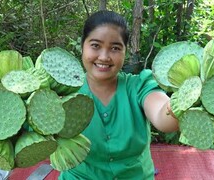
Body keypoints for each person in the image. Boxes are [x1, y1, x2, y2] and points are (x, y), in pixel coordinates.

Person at [59, 10, 179, 180]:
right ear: (82, 46)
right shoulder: (63, 92)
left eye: (115, 48)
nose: (104, 56)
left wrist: (182, 102)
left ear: (125, 52)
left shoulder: (139, 86)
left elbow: (163, 116)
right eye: (95, 45)